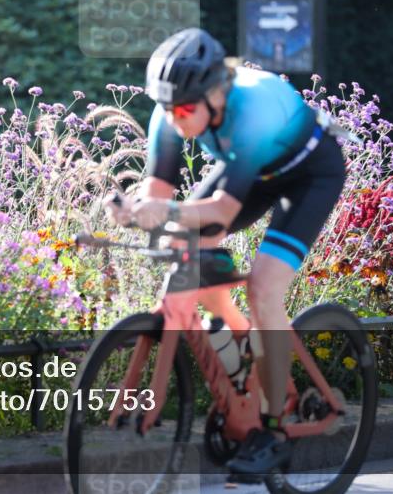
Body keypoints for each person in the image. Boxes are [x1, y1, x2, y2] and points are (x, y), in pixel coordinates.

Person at [106, 27, 347, 481]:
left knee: (263, 287)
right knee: (184, 245)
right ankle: (243, 361)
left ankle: (273, 429)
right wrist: (133, 210)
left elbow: (223, 209)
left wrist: (165, 209)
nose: (174, 120)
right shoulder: (172, 113)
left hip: (309, 174)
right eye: (166, 108)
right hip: (252, 172)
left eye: (183, 110)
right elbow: (158, 193)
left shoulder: (250, 110)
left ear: (216, 94)